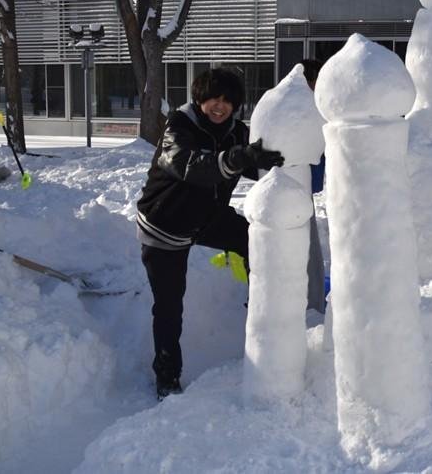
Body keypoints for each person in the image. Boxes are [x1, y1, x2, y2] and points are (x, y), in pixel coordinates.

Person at [136, 68, 284, 399]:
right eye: (214, 99)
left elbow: (257, 162)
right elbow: (187, 164)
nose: (220, 107)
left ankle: (261, 312)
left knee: (255, 240)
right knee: (169, 305)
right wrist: (237, 158)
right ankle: (167, 377)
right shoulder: (178, 127)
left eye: (228, 101)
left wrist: (285, 158)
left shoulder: (235, 132)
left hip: (204, 215)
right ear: (199, 98)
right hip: (165, 224)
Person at [300, 58, 328, 314]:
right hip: (294, 190)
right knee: (303, 253)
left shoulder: (317, 110)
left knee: (311, 253)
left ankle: (313, 303)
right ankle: (311, 305)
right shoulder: (300, 111)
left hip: (304, 189)